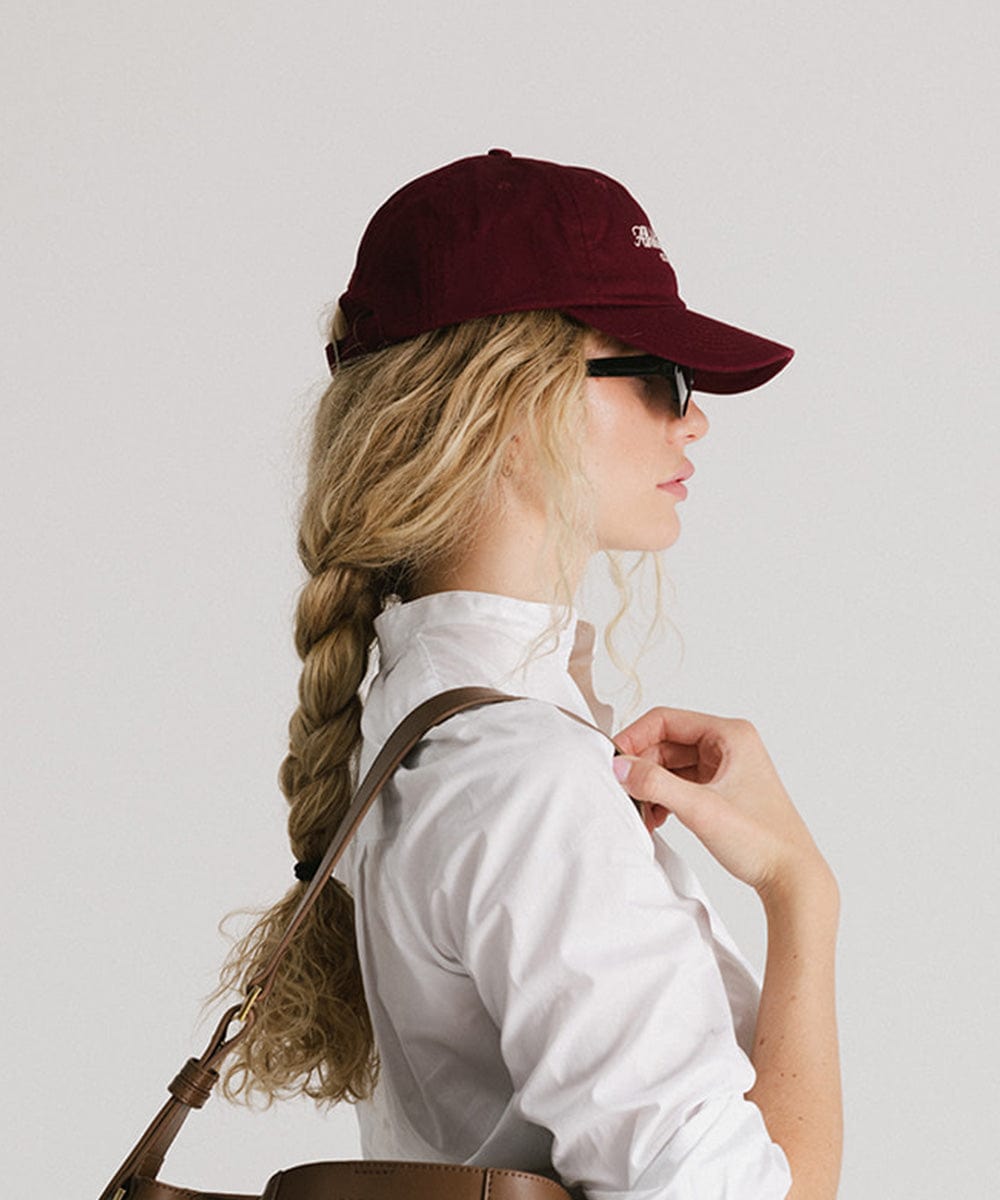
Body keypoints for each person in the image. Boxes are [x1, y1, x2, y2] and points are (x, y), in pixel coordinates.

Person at [216, 150, 842, 1199]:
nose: (691, 417)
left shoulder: (426, 724)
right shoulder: (524, 772)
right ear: (511, 402)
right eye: (654, 370)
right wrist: (800, 892)